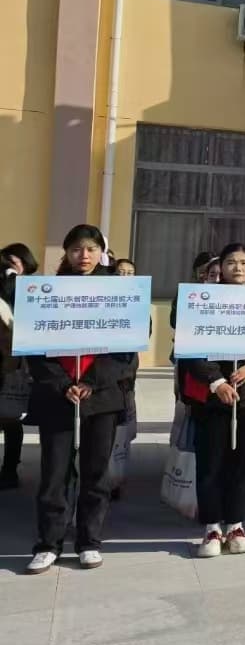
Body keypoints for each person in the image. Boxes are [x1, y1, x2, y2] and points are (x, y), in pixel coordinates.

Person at [25, 225, 137, 573]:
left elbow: (126, 351)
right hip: (58, 396)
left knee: (95, 472)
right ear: (67, 253)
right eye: (76, 249)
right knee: (54, 473)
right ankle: (48, 543)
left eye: (90, 249)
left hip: (101, 397)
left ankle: (89, 541)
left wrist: (90, 381)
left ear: (101, 252)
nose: (83, 256)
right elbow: (34, 346)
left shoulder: (120, 292)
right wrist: (62, 384)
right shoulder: (49, 291)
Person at [178, 243, 245, 558]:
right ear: (220, 268)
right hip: (212, 395)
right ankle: (211, 527)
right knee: (211, 461)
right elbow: (190, 349)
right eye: (231, 262)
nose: (238, 267)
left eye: (244, 262)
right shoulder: (201, 301)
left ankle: (236, 524)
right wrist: (216, 381)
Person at [0, 241, 38, 490]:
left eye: (12, 262)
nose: (7, 267)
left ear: (25, 264)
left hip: (14, 362)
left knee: (10, 417)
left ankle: (9, 469)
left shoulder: (30, 288)